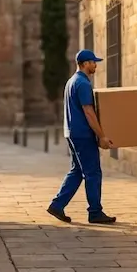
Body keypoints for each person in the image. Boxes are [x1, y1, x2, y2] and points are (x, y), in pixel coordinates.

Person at [46, 49, 117, 224]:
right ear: (85, 64)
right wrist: (101, 135)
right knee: (93, 173)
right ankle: (95, 212)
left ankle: (57, 205)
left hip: (71, 133)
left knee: (77, 171)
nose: (95, 65)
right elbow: (88, 111)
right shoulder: (83, 84)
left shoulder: (71, 81)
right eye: (93, 62)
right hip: (83, 135)